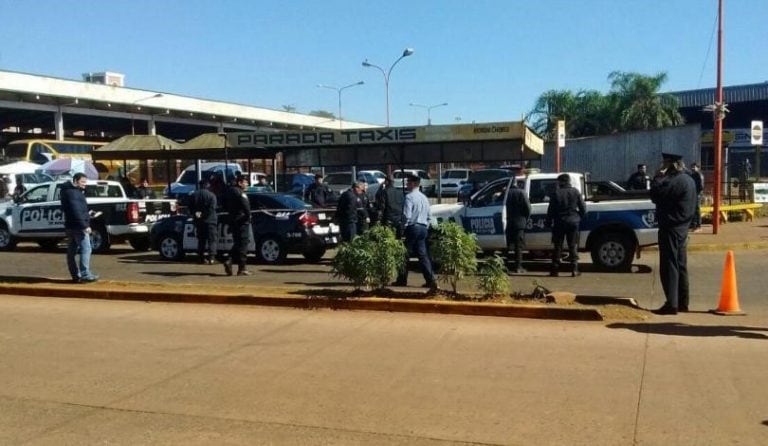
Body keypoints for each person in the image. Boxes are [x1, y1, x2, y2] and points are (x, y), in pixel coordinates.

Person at [650, 153, 697, 315]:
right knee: (681, 265)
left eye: (665, 163)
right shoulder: (689, 180)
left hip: (671, 227)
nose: (662, 165)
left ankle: (672, 304)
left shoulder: (674, 181)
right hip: (683, 227)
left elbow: (655, 195)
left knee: (669, 265)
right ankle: (683, 302)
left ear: (670, 165)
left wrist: (657, 175)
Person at [393, 174, 437, 291]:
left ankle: (401, 279)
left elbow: (407, 215)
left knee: (404, 254)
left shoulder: (409, 197)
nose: (406, 185)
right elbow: (429, 215)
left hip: (413, 227)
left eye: (408, 183)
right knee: (423, 255)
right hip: (423, 228)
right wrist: (425, 226)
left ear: (413, 184)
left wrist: (403, 228)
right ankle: (430, 280)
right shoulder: (424, 197)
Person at [60, 173, 98, 283]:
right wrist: (84, 225)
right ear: (75, 181)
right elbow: (75, 210)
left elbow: (75, 210)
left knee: (71, 251)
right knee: (86, 248)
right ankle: (85, 274)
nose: (85, 184)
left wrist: (88, 213)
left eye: (85, 182)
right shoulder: (73, 193)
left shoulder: (67, 191)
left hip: (70, 225)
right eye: (82, 182)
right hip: (78, 226)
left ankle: (75, 275)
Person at [546, 173, 586, 277]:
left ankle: (555, 270)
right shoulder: (576, 192)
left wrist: (548, 222)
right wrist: (578, 217)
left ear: (561, 182)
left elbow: (551, 210)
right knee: (572, 246)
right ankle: (574, 269)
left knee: (558, 246)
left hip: (559, 222)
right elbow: (583, 208)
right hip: (573, 222)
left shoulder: (556, 193)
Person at [222, 174, 252, 276]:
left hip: (233, 220)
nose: (247, 184)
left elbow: (224, 205)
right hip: (242, 221)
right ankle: (242, 268)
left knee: (237, 243)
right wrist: (248, 217)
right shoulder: (241, 193)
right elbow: (246, 207)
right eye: (245, 182)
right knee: (243, 244)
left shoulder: (229, 192)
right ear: (239, 183)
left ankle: (229, 261)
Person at [188, 179, 218, 264]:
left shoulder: (194, 195)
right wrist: (204, 215)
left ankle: (201, 258)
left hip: (199, 222)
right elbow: (212, 209)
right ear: (208, 185)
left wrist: (197, 214)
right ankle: (211, 258)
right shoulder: (212, 196)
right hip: (210, 221)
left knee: (201, 240)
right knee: (212, 240)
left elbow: (190, 207)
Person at [505, 180, 531, 274]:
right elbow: (528, 208)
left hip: (506, 223)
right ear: (516, 184)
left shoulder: (505, 193)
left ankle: (505, 267)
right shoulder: (521, 192)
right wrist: (525, 219)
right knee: (518, 247)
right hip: (519, 223)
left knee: (506, 246)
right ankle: (518, 267)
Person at [688, 162, 704, 232]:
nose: (692, 168)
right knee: (694, 210)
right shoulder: (693, 175)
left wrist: (697, 193)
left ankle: (698, 225)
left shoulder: (698, 175)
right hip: (694, 194)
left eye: (694, 167)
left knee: (697, 210)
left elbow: (701, 186)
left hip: (697, 194)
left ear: (698, 168)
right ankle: (694, 225)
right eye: (692, 167)